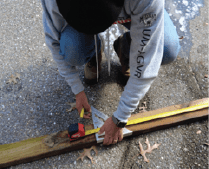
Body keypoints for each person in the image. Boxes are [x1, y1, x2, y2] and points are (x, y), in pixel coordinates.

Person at [40, 0, 181, 145]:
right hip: (83, 14)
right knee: (72, 49)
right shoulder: (53, 2)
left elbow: (146, 65)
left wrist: (120, 118)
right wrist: (77, 89)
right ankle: (91, 53)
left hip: (134, 9)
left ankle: (126, 49)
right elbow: (54, 42)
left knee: (166, 48)